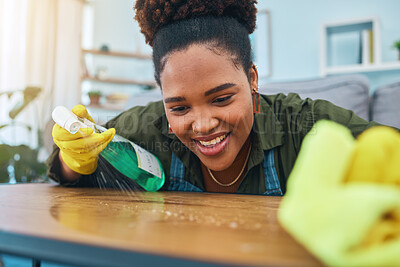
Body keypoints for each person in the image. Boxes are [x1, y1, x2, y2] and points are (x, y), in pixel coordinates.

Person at [46, 0, 380, 195]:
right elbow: (70, 176)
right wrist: (72, 159)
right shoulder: (145, 126)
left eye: (221, 99)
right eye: (179, 106)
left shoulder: (304, 123)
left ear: (251, 79)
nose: (203, 125)